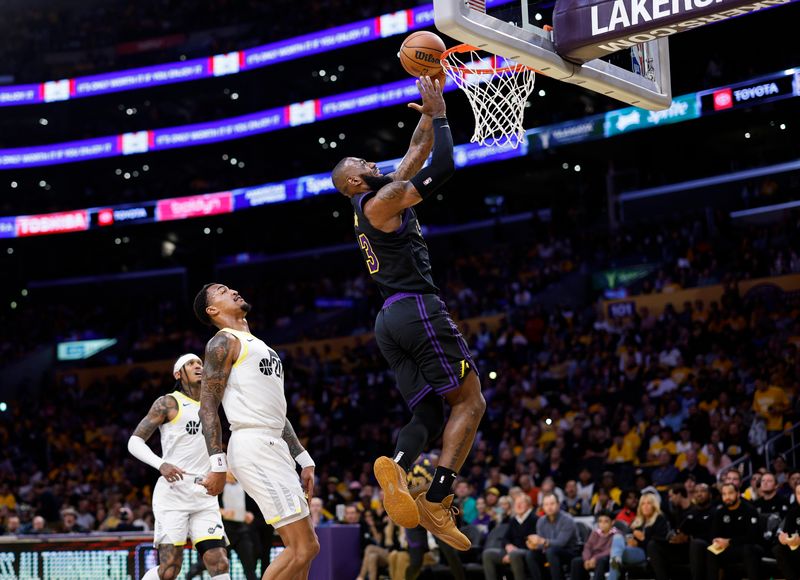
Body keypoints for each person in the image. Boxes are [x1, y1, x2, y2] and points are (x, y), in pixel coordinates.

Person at [331, 75, 485, 551]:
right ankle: (438, 501)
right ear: (354, 181)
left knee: (428, 412)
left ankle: (398, 467)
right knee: (470, 400)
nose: (372, 161)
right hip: (417, 308)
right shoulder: (381, 201)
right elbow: (442, 166)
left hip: (388, 321)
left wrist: (426, 112)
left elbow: (414, 155)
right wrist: (441, 117)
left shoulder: (375, 198)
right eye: (363, 162)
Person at [193, 284, 320, 579]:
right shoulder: (222, 342)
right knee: (303, 548)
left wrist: (304, 458)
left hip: (274, 442)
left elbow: (276, 412)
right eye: (223, 291)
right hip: (254, 445)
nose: (233, 290)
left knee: (304, 550)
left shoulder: (259, 344)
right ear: (213, 310)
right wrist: (217, 465)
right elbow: (207, 407)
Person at [127, 354, 230, 580]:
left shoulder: (212, 404)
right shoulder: (168, 403)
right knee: (170, 570)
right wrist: (161, 464)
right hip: (173, 494)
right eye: (191, 364)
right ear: (178, 374)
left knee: (219, 562)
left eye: (200, 363)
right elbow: (134, 442)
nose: (198, 366)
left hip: (204, 494)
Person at [648, 482, 714, 580]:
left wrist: (689, 537)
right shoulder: (680, 512)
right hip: (682, 548)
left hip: (700, 548)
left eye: (703, 491)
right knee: (653, 544)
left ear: (710, 494)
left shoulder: (714, 511)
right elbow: (678, 530)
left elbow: (714, 534)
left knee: (695, 543)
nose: (699, 494)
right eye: (696, 492)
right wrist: (674, 538)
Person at [706, 482, 762, 580]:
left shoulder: (749, 510)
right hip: (729, 548)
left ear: (738, 493)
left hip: (749, 547)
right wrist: (716, 541)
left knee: (748, 549)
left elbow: (753, 537)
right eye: (724, 494)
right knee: (711, 551)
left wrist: (729, 541)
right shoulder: (720, 512)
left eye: (730, 493)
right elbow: (713, 533)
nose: (727, 497)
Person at [608, 492, 669, 580]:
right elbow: (629, 534)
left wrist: (643, 539)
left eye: (649, 503)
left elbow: (659, 542)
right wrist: (630, 541)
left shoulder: (660, 519)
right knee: (617, 537)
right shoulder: (637, 520)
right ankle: (615, 562)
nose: (645, 506)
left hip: (647, 554)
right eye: (643, 504)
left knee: (616, 555)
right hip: (632, 550)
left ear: (654, 505)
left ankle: (613, 570)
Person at [526, 492, 580, 580]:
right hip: (549, 552)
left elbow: (561, 543)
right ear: (542, 507)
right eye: (546, 504)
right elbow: (541, 545)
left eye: (552, 503)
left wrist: (542, 541)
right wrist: (534, 546)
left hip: (570, 551)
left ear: (558, 504)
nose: (549, 507)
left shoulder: (567, 519)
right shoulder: (540, 521)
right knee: (531, 554)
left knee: (551, 551)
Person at [482, 494, 537, 580]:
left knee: (515, 554)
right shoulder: (514, 520)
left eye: (521, 503)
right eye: (516, 503)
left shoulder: (535, 519)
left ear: (529, 505)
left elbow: (533, 542)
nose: (518, 505)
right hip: (512, 552)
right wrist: (508, 546)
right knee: (488, 554)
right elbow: (505, 538)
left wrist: (511, 553)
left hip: (528, 552)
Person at [570, 511, 616, 580]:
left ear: (612, 522)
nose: (602, 524)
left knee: (601, 561)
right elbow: (587, 546)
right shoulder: (595, 533)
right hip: (591, 558)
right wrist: (587, 559)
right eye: (600, 521)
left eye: (606, 521)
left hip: (606, 559)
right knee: (576, 561)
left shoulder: (616, 534)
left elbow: (610, 550)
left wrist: (595, 558)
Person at [773, 483, 800, 580]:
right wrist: (782, 539)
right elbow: (786, 533)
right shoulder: (793, 512)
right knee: (778, 549)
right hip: (795, 547)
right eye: (799, 494)